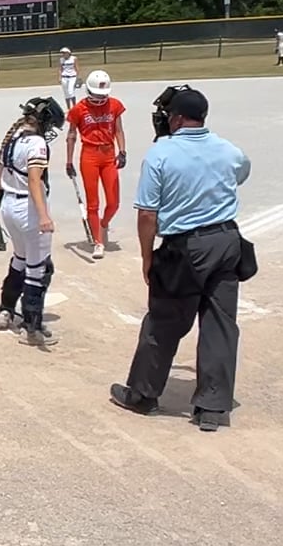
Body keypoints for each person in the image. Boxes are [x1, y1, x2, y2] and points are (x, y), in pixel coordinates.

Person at [109, 88, 254, 432]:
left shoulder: (160, 154)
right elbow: (240, 174)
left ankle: (143, 394)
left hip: (185, 248)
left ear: (175, 118)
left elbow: (147, 214)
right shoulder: (229, 149)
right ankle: (213, 407)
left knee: (164, 320)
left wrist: (147, 257)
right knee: (220, 323)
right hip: (226, 242)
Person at [0, 96, 66, 348]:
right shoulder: (37, 144)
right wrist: (43, 216)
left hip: (8, 207)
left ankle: (6, 310)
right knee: (38, 269)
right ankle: (32, 327)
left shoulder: (11, 138)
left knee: (19, 259)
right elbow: (34, 180)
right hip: (28, 209)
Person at [64, 70, 127, 260]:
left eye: (103, 95)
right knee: (93, 203)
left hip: (109, 154)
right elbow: (71, 135)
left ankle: (103, 223)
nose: (100, 99)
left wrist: (122, 151)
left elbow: (118, 130)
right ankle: (98, 242)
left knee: (114, 202)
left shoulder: (114, 105)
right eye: (97, 95)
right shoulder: (78, 109)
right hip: (89, 155)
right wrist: (69, 160)